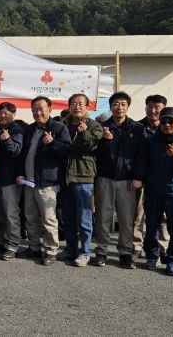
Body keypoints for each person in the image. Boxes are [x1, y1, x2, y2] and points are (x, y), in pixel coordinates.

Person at [133, 107, 173, 277]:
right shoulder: (150, 141)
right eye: (163, 121)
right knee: (151, 227)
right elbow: (143, 162)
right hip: (154, 190)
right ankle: (152, 255)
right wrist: (138, 178)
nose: (167, 124)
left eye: (171, 121)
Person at [91, 92, 145, 269]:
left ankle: (126, 253)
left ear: (128, 106)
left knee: (126, 219)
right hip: (104, 178)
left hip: (128, 180)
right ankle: (101, 251)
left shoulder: (137, 128)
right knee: (103, 217)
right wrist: (105, 141)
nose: (119, 107)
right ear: (110, 106)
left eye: (123, 104)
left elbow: (142, 155)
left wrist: (138, 177)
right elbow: (94, 153)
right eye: (115, 104)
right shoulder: (101, 127)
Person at [17, 96, 72, 266]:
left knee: (48, 219)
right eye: (34, 109)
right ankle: (34, 247)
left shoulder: (59, 128)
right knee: (30, 217)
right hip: (29, 182)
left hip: (47, 183)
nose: (38, 112)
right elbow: (23, 154)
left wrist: (53, 143)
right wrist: (20, 173)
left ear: (50, 109)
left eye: (41, 109)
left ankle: (50, 250)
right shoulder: (29, 129)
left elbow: (68, 151)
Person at [60, 94, 102, 267]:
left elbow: (92, 146)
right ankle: (70, 248)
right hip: (64, 176)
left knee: (84, 217)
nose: (77, 107)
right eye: (74, 103)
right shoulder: (62, 124)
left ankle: (85, 252)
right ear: (69, 106)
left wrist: (84, 133)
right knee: (67, 217)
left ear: (87, 107)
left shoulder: (94, 125)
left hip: (83, 176)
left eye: (81, 104)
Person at [0, 102, 24, 260]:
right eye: (0, 113)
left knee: (11, 214)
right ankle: (5, 240)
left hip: (10, 178)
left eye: (6, 113)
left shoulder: (17, 130)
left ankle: (13, 244)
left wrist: (7, 140)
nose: (2, 115)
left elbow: (16, 151)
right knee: (0, 213)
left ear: (14, 115)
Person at [136, 94, 168, 254]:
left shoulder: (169, 128)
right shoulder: (137, 127)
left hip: (162, 178)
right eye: (150, 107)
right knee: (138, 214)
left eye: (157, 107)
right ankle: (137, 246)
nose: (153, 111)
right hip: (140, 177)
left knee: (162, 216)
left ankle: (163, 246)